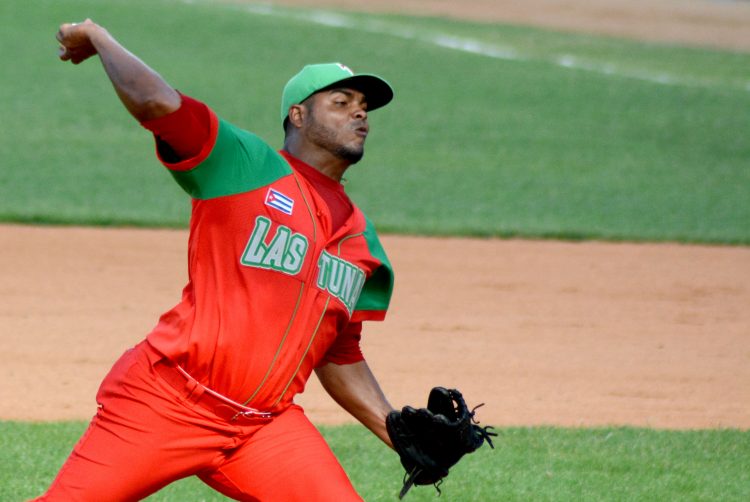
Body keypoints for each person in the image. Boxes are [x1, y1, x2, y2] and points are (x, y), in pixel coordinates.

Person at [41, 19, 398, 501]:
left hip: (263, 428)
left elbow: (337, 351)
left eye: (363, 109)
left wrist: (395, 431)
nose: (360, 116)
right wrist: (101, 40)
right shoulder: (245, 164)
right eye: (341, 104)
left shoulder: (362, 240)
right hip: (166, 400)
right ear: (298, 115)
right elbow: (157, 105)